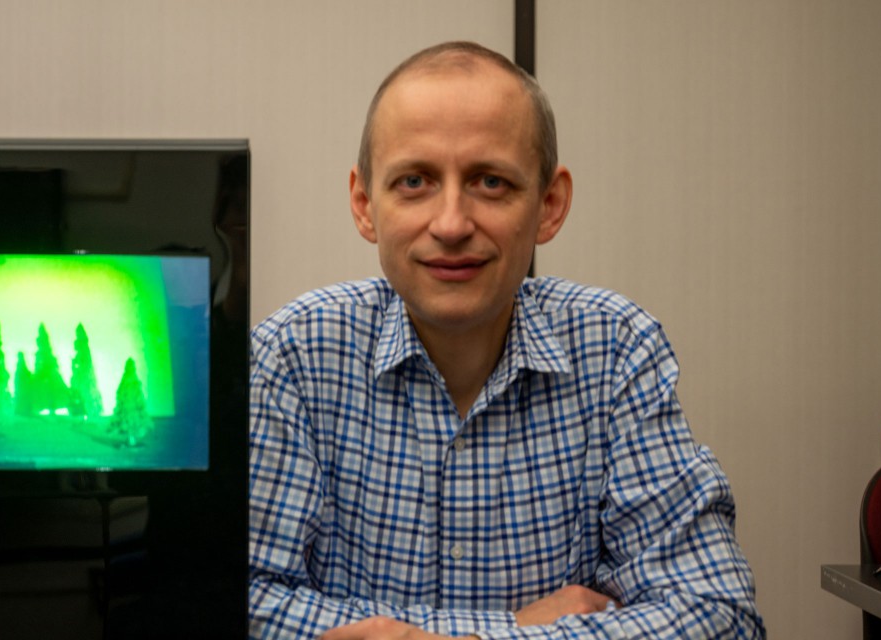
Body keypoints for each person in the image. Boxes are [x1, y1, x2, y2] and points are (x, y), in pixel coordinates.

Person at [248, 41, 764, 639]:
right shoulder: (293, 354)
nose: (450, 224)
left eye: (490, 183)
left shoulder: (618, 349)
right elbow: (237, 602)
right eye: (414, 181)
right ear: (366, 204)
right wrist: (508, 629)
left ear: (549, 204)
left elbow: (717, 613)